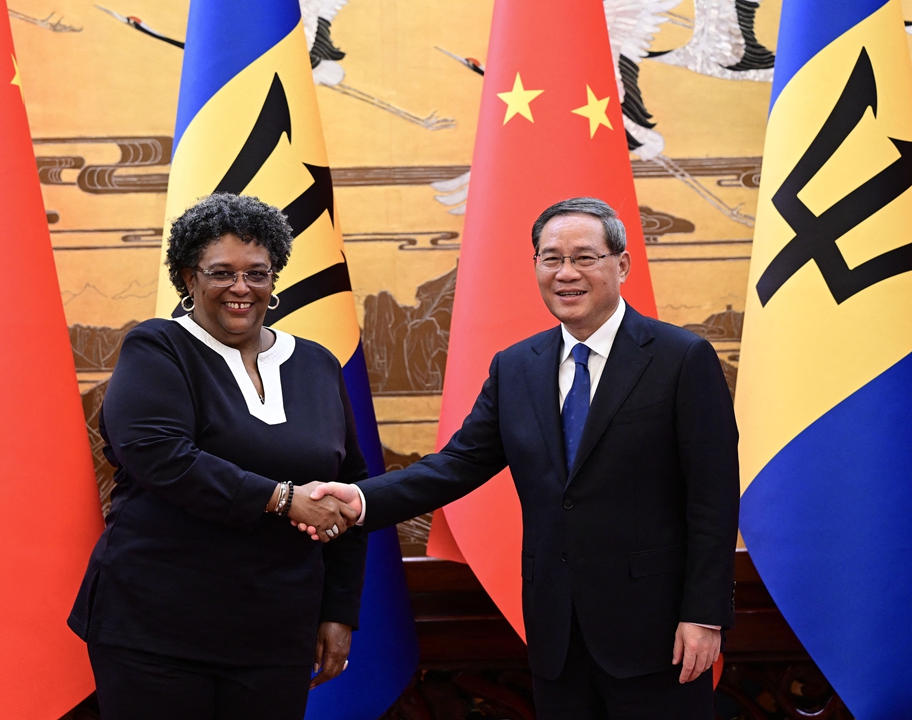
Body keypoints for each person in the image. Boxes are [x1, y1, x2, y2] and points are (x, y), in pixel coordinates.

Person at [310, 197, 739, 719]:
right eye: (550, 258)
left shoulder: (681, 359)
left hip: (658, 632)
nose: (566, 273)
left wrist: (704, 615)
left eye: (584, 257)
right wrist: (357, 499)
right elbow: (456, 465)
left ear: (621, 265)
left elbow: (712, 501)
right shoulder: (517, 367)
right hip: (556, 631)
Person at [68, 193, 366, 720]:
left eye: (257, 273)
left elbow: (350, 486)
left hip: (278, 629)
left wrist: (339, 611)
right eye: (221, 272)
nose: (240, 288)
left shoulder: (316, 363)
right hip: (157, 627)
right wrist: (283, 499)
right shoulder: (157, 348)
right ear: (188, 277)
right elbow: (163, 457)